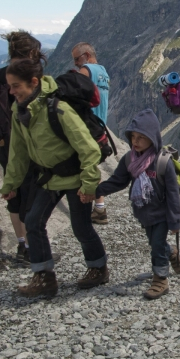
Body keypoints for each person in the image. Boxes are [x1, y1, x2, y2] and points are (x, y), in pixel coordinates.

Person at [0, 58, 109, 297]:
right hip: (48, 177)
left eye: (16, 85)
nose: (12, 91)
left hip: (75, 177)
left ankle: (98, 268)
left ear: (34, 83)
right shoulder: (20, 111)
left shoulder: (58, 108)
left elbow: (89, 149)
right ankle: (44, 278)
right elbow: (18, 153)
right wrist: (11, 185)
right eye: (10, 86)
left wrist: (90, 185)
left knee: (80, 227)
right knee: (33, 221)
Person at [95, 109, 180, 300]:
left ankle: (161, 279)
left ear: (153, 138)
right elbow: (118, 181)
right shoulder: (129, 159)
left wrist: (175, 222)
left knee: (157, 245)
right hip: (144, 213)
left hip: (161, 214)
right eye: (133, 136)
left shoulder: (162, 161)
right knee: (155, 243)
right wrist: (97, 191)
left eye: (141, 137)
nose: (135, 141)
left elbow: (173, 194)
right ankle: (171, 253)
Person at [0, 31, 42, 265]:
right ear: (29, 53)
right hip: (25, 143)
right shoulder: (26, 75)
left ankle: (21, 244)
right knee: (30, 191)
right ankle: (31, 248)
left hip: (2, 143)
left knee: (13, 192)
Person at [71, 42, 110, 224]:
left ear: (86, 55)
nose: (76, 64)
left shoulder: (86, 70)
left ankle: (96, 209)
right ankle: (99, 207)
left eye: (77, 59)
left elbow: (73, 92)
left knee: (86, 167)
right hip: (100, 124)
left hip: (86, 125)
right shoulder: (103, 71)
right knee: (92, 166)